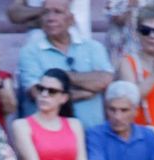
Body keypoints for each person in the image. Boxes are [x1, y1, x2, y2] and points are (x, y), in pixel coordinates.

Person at [16, 0, 112, 129]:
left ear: (71, 19)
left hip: (91, 134)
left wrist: (59, 79)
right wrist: (85, 92)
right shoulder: (29, 52)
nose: (51, 18)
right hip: (48, 137)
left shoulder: (93, 47)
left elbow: (105, 80)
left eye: (58, 12)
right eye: (45, 13)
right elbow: (37, 94)